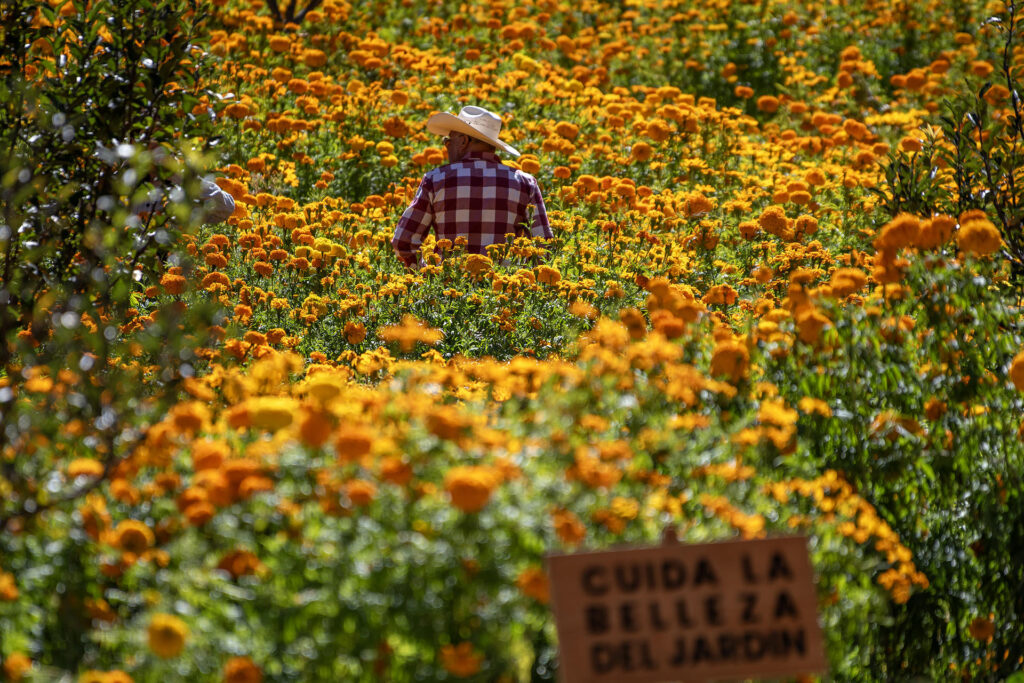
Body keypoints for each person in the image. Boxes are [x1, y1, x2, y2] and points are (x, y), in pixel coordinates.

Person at [391, 105, 552, 268]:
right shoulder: (525, 183)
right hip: (504, 287)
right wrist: (522, 280)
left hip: (448, 289)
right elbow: (544, 246)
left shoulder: (436, 179)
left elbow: (403, 242)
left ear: (463, 141)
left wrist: (426, 276)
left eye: (448, 141)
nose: (446, 147)